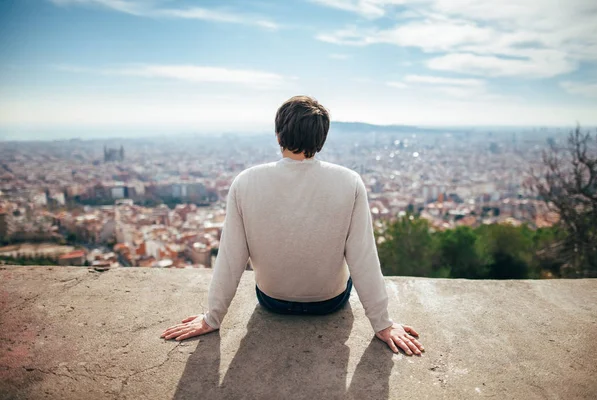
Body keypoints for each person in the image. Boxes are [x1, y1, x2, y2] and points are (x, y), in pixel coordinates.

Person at [161, 96, 425, 355]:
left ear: (278, 135)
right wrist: (383, 323)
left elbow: (231, 257)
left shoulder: (246, 182)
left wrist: (212, 318)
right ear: (321, 139)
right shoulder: (349, 181)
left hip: (272, 300)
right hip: (328, 302)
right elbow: (363, 257)